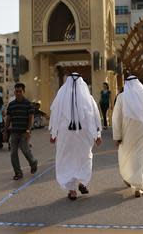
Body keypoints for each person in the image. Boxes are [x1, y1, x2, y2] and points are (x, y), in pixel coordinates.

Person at [49, 72, 102, 200]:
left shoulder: (61, 96)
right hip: (83, 135)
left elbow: (55, 115)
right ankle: (82, 182)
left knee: (66, 160)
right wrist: (97, 134)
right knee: (84, 158)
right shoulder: (88, 98)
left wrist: (53, 132)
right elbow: (95, 116)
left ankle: (72, 190)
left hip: (65, 135)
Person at [112, 75, 143, 197]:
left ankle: (129, 179)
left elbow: (116, 118)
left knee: (126, 157)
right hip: (142, 133)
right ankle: (138, 187)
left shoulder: (121, 98)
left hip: (126, 133)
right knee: (139, 159)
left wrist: (117, 136)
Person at [4, 83, 38, 180]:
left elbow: (31, 119)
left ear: (24, 92)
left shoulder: (28, 104)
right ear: (14, 92)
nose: (18, 93)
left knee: (25, 150)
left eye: (20, 91)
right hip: (14, 132)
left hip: (24, 132)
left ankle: (33, 162)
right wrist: (5, 131)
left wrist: (28, 130)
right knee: (13, 153)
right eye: (16, 91)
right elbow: (8, 119)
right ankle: (18, 173)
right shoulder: (11, 105)